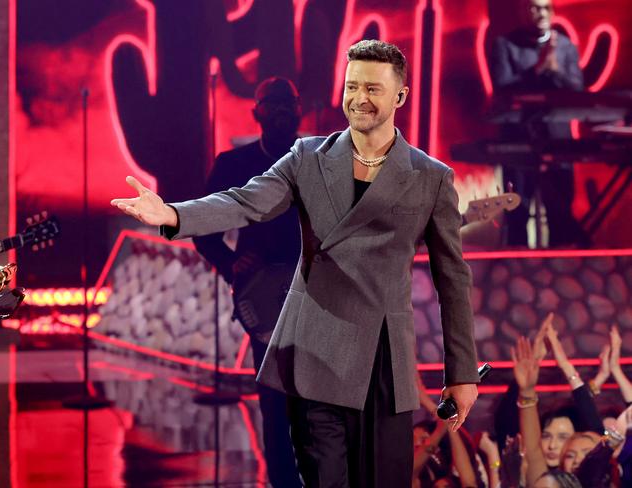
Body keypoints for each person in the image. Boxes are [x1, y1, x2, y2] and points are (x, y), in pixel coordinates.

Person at [112, 39, 480, 487]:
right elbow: (245, 202)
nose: (359, 99)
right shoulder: (308, 158)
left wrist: (461, 373)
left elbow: (451, 279)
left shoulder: (430, 177)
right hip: (315, 350)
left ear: (400, 96)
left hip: (384, 360)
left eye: (374, 89)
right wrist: (174, 214)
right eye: (352, 86)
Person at [192, 77, 302, 488]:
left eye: (286, 104)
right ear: (257, 113)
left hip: (316, 294)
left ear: (299, 110)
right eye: (270, 104)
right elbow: (204, 231)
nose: (279, 111)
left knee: (317, 406)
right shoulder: (233, 165)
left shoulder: (319, 159)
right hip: (264, 299)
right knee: (276, 407)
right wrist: (234, 263)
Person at [489, 0, 587, 248]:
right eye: (534, 7)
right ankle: (515, 274)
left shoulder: (564, 47)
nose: (540, 13)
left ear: (552, 12)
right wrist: (537, 68)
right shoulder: (506, 45)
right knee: (517, 210)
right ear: (523, 11)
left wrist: (554, 70)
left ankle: (560, 275)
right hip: (518, 142)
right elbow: (503, 87)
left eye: (545, 8)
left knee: (560, 212)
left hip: (558, 142)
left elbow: (577, 89)